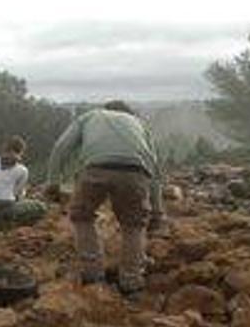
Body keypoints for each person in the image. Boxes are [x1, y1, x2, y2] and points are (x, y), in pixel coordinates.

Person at [46, 100, 165, 294]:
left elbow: (60, 147)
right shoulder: (139, 124)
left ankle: (93, 275)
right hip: (135, 172)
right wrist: (158, 211)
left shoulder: (90, 116)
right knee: (133, 225)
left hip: (95, 168)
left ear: (106, 110)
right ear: (127, 113)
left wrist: (52, 183)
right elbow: (154, 169)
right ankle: (131, 282)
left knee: (81, 216)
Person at [0, 136, 47, 227]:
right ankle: (1, 221)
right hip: (2, 206)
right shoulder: (22, 170)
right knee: (40, 207)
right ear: (21, 152)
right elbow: (17, 196)